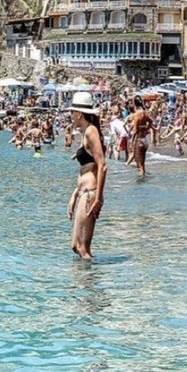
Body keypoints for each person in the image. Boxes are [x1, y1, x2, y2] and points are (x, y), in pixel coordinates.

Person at [67, 91, 107, 260]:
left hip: (91, 193)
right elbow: (87, 167)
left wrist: (98, 199)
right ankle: (84, 283)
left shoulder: (91, 132)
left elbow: (102, 166)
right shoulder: (86, 132)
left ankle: (92, 285)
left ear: (79, 113)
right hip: (84, 192)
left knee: (83, 248)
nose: (71, 116)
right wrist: (74, 194)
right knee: (76, 246)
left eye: (72, 113)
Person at [127, 96, 155, 178]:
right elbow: (151, 121)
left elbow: (135, 130)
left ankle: (141, 184)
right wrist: (146, 128)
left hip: (139, 140)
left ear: (135, 104)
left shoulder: (136, 114)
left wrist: (131, 142)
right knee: (143, 165)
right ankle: (144, 181)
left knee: (139, 167)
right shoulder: (145, 113)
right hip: (145, 140)